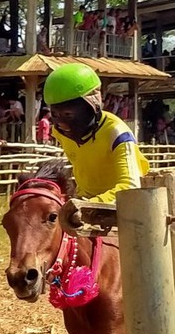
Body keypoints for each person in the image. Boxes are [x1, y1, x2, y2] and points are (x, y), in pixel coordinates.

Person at [43, 63, 149, 231]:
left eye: (68, 114)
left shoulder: (117, 134)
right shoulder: (60, 133)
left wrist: (90, 205)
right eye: (55, 114)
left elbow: (130, 186)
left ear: (92, 106)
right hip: (83, 202)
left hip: (125, 207)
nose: (61, 122)